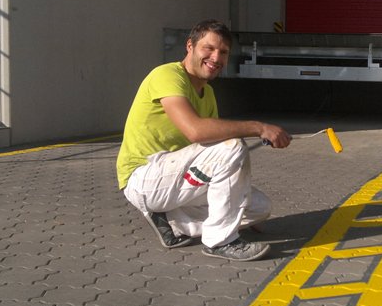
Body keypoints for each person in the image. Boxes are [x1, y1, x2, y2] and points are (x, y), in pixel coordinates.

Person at [116, 19, 291, 262]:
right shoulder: (166, 75)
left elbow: (210, 150)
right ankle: (220, 241)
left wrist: (237, 205)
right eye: (208, 48)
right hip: (143, 177)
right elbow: (196, 131)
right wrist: (259, 128)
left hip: (175, 178)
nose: (216, 57)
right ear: (190, 46)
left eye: (223, 52)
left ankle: (172, 222)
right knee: (231, 147)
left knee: (259, 208)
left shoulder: (207, 93)